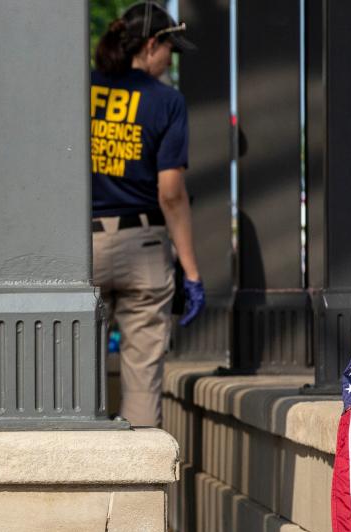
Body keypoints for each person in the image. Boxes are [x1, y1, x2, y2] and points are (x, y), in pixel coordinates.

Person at [91, 1, 205, 428]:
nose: (169, 63)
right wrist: (191, 273)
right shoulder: (166, 101)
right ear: (152, 44)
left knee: (81, 379)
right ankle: (135, 487)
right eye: (169, 52)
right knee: (143, 382)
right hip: (143, 246)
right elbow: (171, 195)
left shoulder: (79, 89)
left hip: (82, 247)